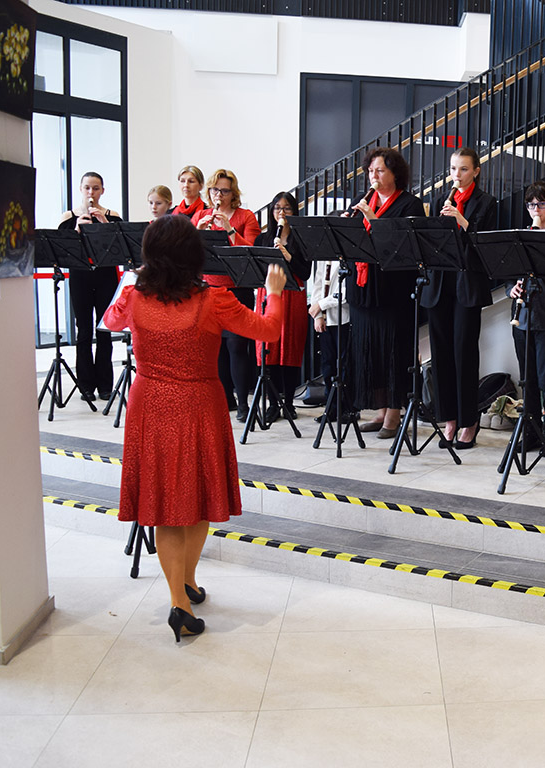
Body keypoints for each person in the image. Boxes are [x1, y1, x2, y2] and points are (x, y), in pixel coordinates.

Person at [102, 215, 286, 642]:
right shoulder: (213, 299)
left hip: (150, 405)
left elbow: (110, 321)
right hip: (198, 404)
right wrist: (274, 294)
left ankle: (180, 592)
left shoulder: (133, 297)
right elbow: (269, 331)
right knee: (199, 496)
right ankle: (182, 594)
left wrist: (130, 281)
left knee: (165, 504)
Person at [421, 148, 497, 449]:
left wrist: (462, 221)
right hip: (440, 285)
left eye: (463, 169)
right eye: (453, 169)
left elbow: (485, 246)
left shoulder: (486, 202)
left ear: (476, 171)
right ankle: (449, 419)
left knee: (464, 355)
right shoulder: (442, 199)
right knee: (441, 355)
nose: (457, 175)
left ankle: (469, 421)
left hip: (467, 286)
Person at [346, 147, 424, 439]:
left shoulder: (409, 204)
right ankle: (380, 411)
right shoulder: (364, 200)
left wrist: (374, 220)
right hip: (363, 290)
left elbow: (403, 248)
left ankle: (394, 414)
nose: (374, 176)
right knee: (370, 351)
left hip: (393, 291)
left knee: (393, 352)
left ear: (394, 173)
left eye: (380, 170)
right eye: (370, 171)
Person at [192, 169, 261, 421]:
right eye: (214, 190)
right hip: (208, 290)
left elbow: (251, 251)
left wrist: (230, 229)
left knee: (236, 345)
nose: (218, 195)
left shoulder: (246, 217)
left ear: (233, 194)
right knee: (215, 347)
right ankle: (224, 400)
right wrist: (197, 231)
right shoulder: (200, 215)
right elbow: (185, 253)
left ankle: (243, 403)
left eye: (224, 191)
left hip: (237, 290)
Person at [507, 181, 545, 455]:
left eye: (541, 204)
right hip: (521, 317)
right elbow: (508, 274)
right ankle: (531, 434)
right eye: (531, 205)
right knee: (526, 381)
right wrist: (512, 289)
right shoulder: (521, 237)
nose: (536, 210)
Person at [59, 171, 121, 402]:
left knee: (104, 330)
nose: (91, 192)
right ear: (81, 189)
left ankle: (105, 385)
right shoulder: (69, 217)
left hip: (105, 277)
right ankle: (85, 385)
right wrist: (76, 229)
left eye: (95, 188)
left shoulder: (112, 216)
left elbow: (120, 249)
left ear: (102, 191)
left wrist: (104, 224)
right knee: (83, 331)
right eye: (87, 188)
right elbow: (63, 251)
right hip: (80, 277)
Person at [254, 192, 311, 421]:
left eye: (286, 208)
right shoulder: (262, 239)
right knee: (268, 350)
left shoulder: (301, 239)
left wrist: (287, 255)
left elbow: (305, 273)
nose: (281, 212)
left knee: (290, 350)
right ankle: (272, 403)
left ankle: (288, 403)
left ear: (294, 212)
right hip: (269, 296)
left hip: (293, 296)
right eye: (277, 208)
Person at [308, 241, 353, 424]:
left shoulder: (348, 255)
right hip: (325, 319)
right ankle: (331, 407)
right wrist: (317, 315)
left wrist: (322, 304)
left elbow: (346, 292)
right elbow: (317, 285)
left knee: (344, 365)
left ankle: (347, 408)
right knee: (327, 365)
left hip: (343, 318)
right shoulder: (322, 255)